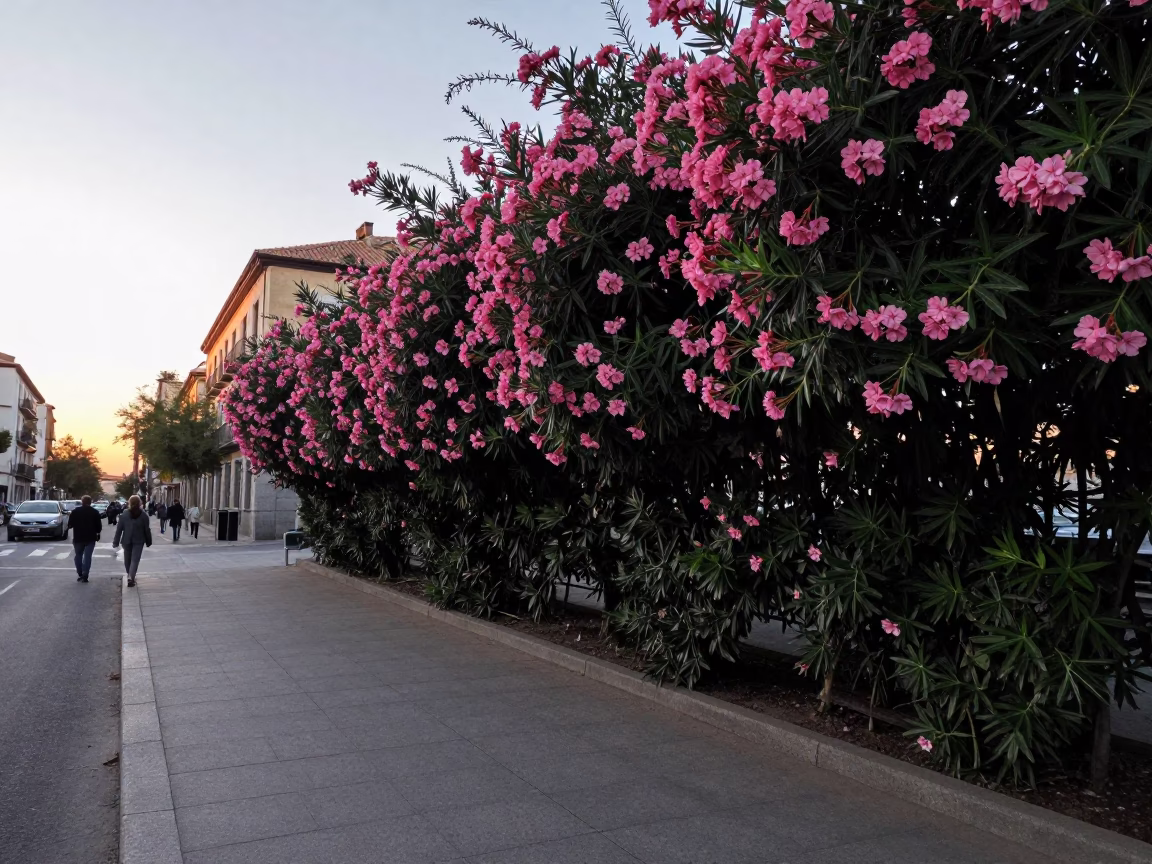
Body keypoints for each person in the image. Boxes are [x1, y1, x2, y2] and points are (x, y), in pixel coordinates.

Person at [113, 495, 151, 588]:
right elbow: (147, 529)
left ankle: (130, 575)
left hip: (126, 540)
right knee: (135, 560)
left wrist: (116, 542)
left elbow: (119, 529)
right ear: (139, 503)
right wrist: (148, 540)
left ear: (129, 502)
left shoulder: (124, 514)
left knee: (127, 559)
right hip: (139, 540)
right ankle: (131, 577)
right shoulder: (143, 515)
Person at [68, 495, 102, 583]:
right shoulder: (95, 512)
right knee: (87, 557)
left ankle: (80, 572)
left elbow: (70, 525)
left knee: (78, 555)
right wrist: (97, 533)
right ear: (90, 502)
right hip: (90, 538)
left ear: (82, 502)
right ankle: (85, 574)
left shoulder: (75, 511)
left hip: (78, 537)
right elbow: (99, 527)